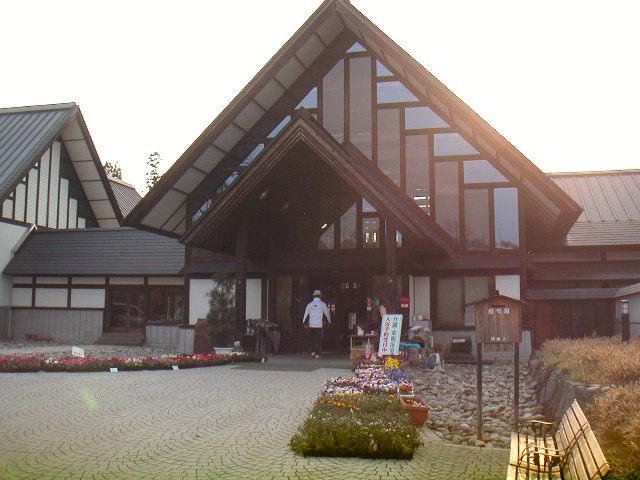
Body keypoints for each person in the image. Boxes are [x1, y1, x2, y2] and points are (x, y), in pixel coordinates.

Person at [302, 289, 331, 358]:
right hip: (319, 324)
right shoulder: (323, 304)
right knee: (318, 339)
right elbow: (327, 314)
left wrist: (304, 323)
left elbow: (305, 315)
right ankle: (317, 354)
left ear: (313, 296)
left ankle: (312, 352)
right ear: (320, 296)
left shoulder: (309, 304)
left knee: (312, 338)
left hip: (311, 324)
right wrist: (329, 322)